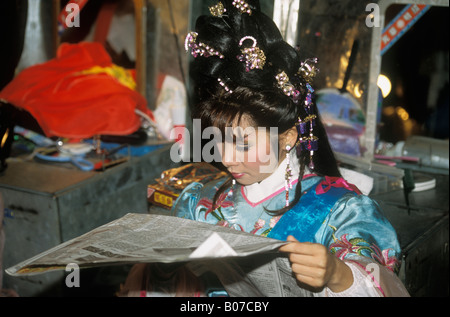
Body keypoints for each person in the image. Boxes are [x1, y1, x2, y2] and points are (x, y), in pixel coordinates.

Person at [120, 0, 409, 297]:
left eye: (243, 144)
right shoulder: (199, 203)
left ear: (286, 138)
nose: (226, 158)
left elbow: (379, 283)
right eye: (217, 140)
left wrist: (338, 274)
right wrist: (164, 270)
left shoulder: (342, 211)